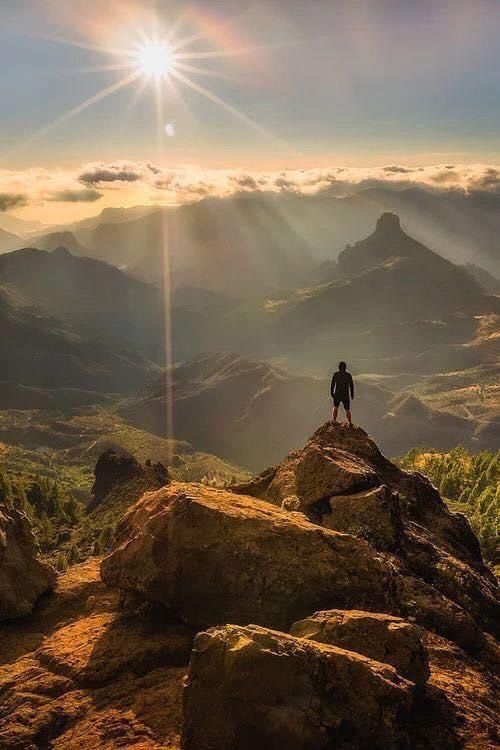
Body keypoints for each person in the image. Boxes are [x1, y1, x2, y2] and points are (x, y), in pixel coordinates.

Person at [330, 361, 354, 425]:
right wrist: (352, 394)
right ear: (345, 368)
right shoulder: (348, 375)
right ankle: (349, 423)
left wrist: (332, 393)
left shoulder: (336, 374)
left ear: (339, 367)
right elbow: (351, 385)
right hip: (345, 395)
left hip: (337, 394)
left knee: (335, 407)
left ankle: (334, 421)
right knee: (347, 409)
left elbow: (332, 385)